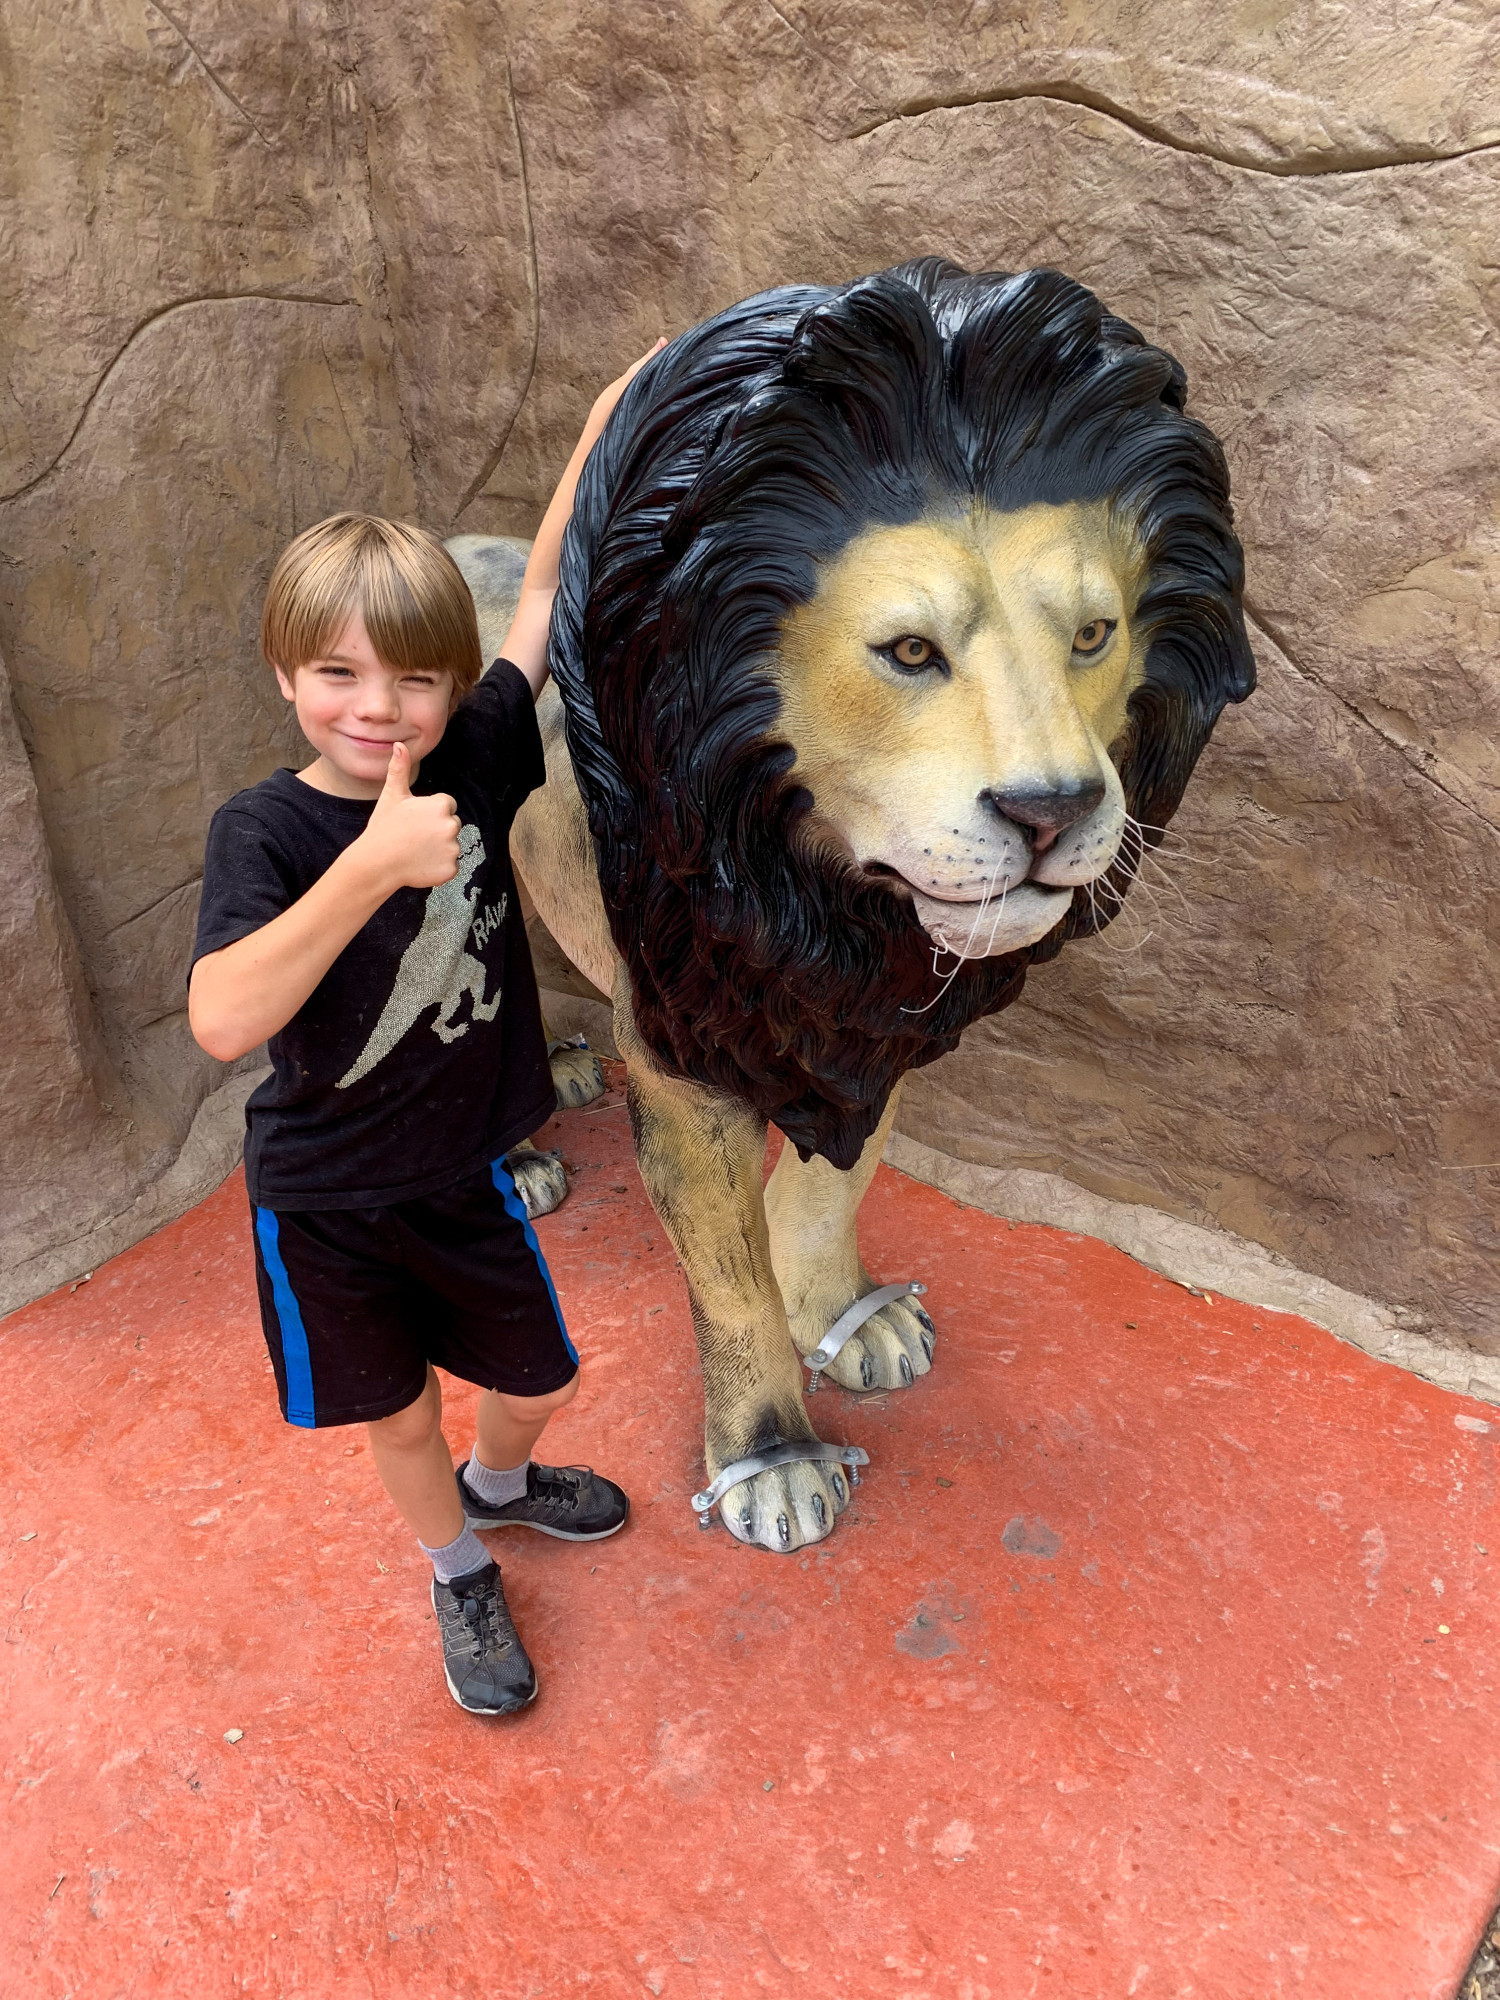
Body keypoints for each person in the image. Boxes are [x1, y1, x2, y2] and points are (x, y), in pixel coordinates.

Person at [188, 343, 664, 1715]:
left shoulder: (474, 756)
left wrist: (595, 429)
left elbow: (536, 598)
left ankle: (501, 1488)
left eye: (411, 682)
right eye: (339, 674)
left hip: (463, 1172)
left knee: (534, 1379)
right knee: (397, 1417)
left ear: (450, 693)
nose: (377, 709)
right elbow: (224, 1020)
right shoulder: (265, 830)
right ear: (286, 676)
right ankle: (457, 1565)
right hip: (326, 1199)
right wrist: (369, 867)